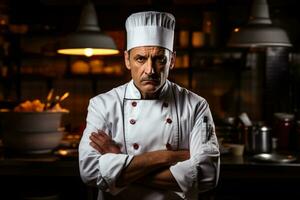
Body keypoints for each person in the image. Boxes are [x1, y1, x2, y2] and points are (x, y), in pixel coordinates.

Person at [79, 11, 220, 200]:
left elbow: (208, 175)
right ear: (127, 60)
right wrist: (167, 157)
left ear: (172, 60)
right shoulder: (102, 105)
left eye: (159, 59)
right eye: (140, 59)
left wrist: (118, 163)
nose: (150, 70)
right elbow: (89, 171)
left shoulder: (196, 106)